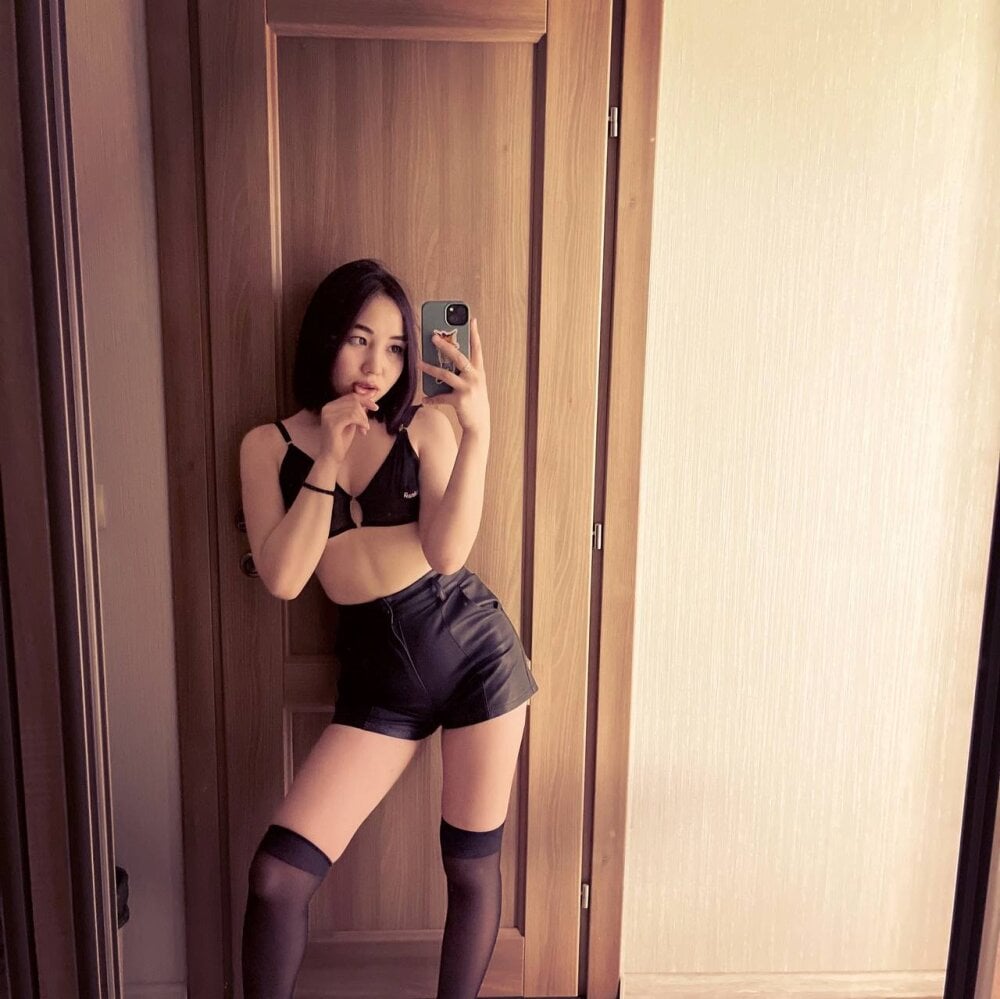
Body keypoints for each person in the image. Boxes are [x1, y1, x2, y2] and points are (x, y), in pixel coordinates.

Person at [237, 258, 540, 998]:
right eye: (359, 339)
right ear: (326, 339)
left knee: (469, 867)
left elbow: (447, 553)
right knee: (276, 879)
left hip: (475, 658)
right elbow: (284, 578)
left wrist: (477, 431)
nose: (376, 365)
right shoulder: (266, 447)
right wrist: (328, 456)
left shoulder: (425, 426)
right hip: (379, 688)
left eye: (397, 347)